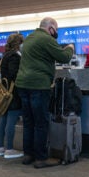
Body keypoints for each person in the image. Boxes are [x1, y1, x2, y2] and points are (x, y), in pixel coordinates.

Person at [15, 17, 74, 169]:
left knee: (29, 122)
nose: (56, 33)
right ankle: (41, 158)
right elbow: (64, 57)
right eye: (56, 30)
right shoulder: (46, 39)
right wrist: (70, 48)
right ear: (51, 28)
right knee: (41, 123)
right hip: (38, 85)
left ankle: (28, 155)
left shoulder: (29, 38)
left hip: (22, 84)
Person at [0, 33, 24, 159]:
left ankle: (0, 147)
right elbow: (13, 74)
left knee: (3, 119)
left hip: (5, 92)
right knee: (11, 120)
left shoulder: (5, 55)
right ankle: (9, 149)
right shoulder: (14, 56)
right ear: (19, 44)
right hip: (13, 93)